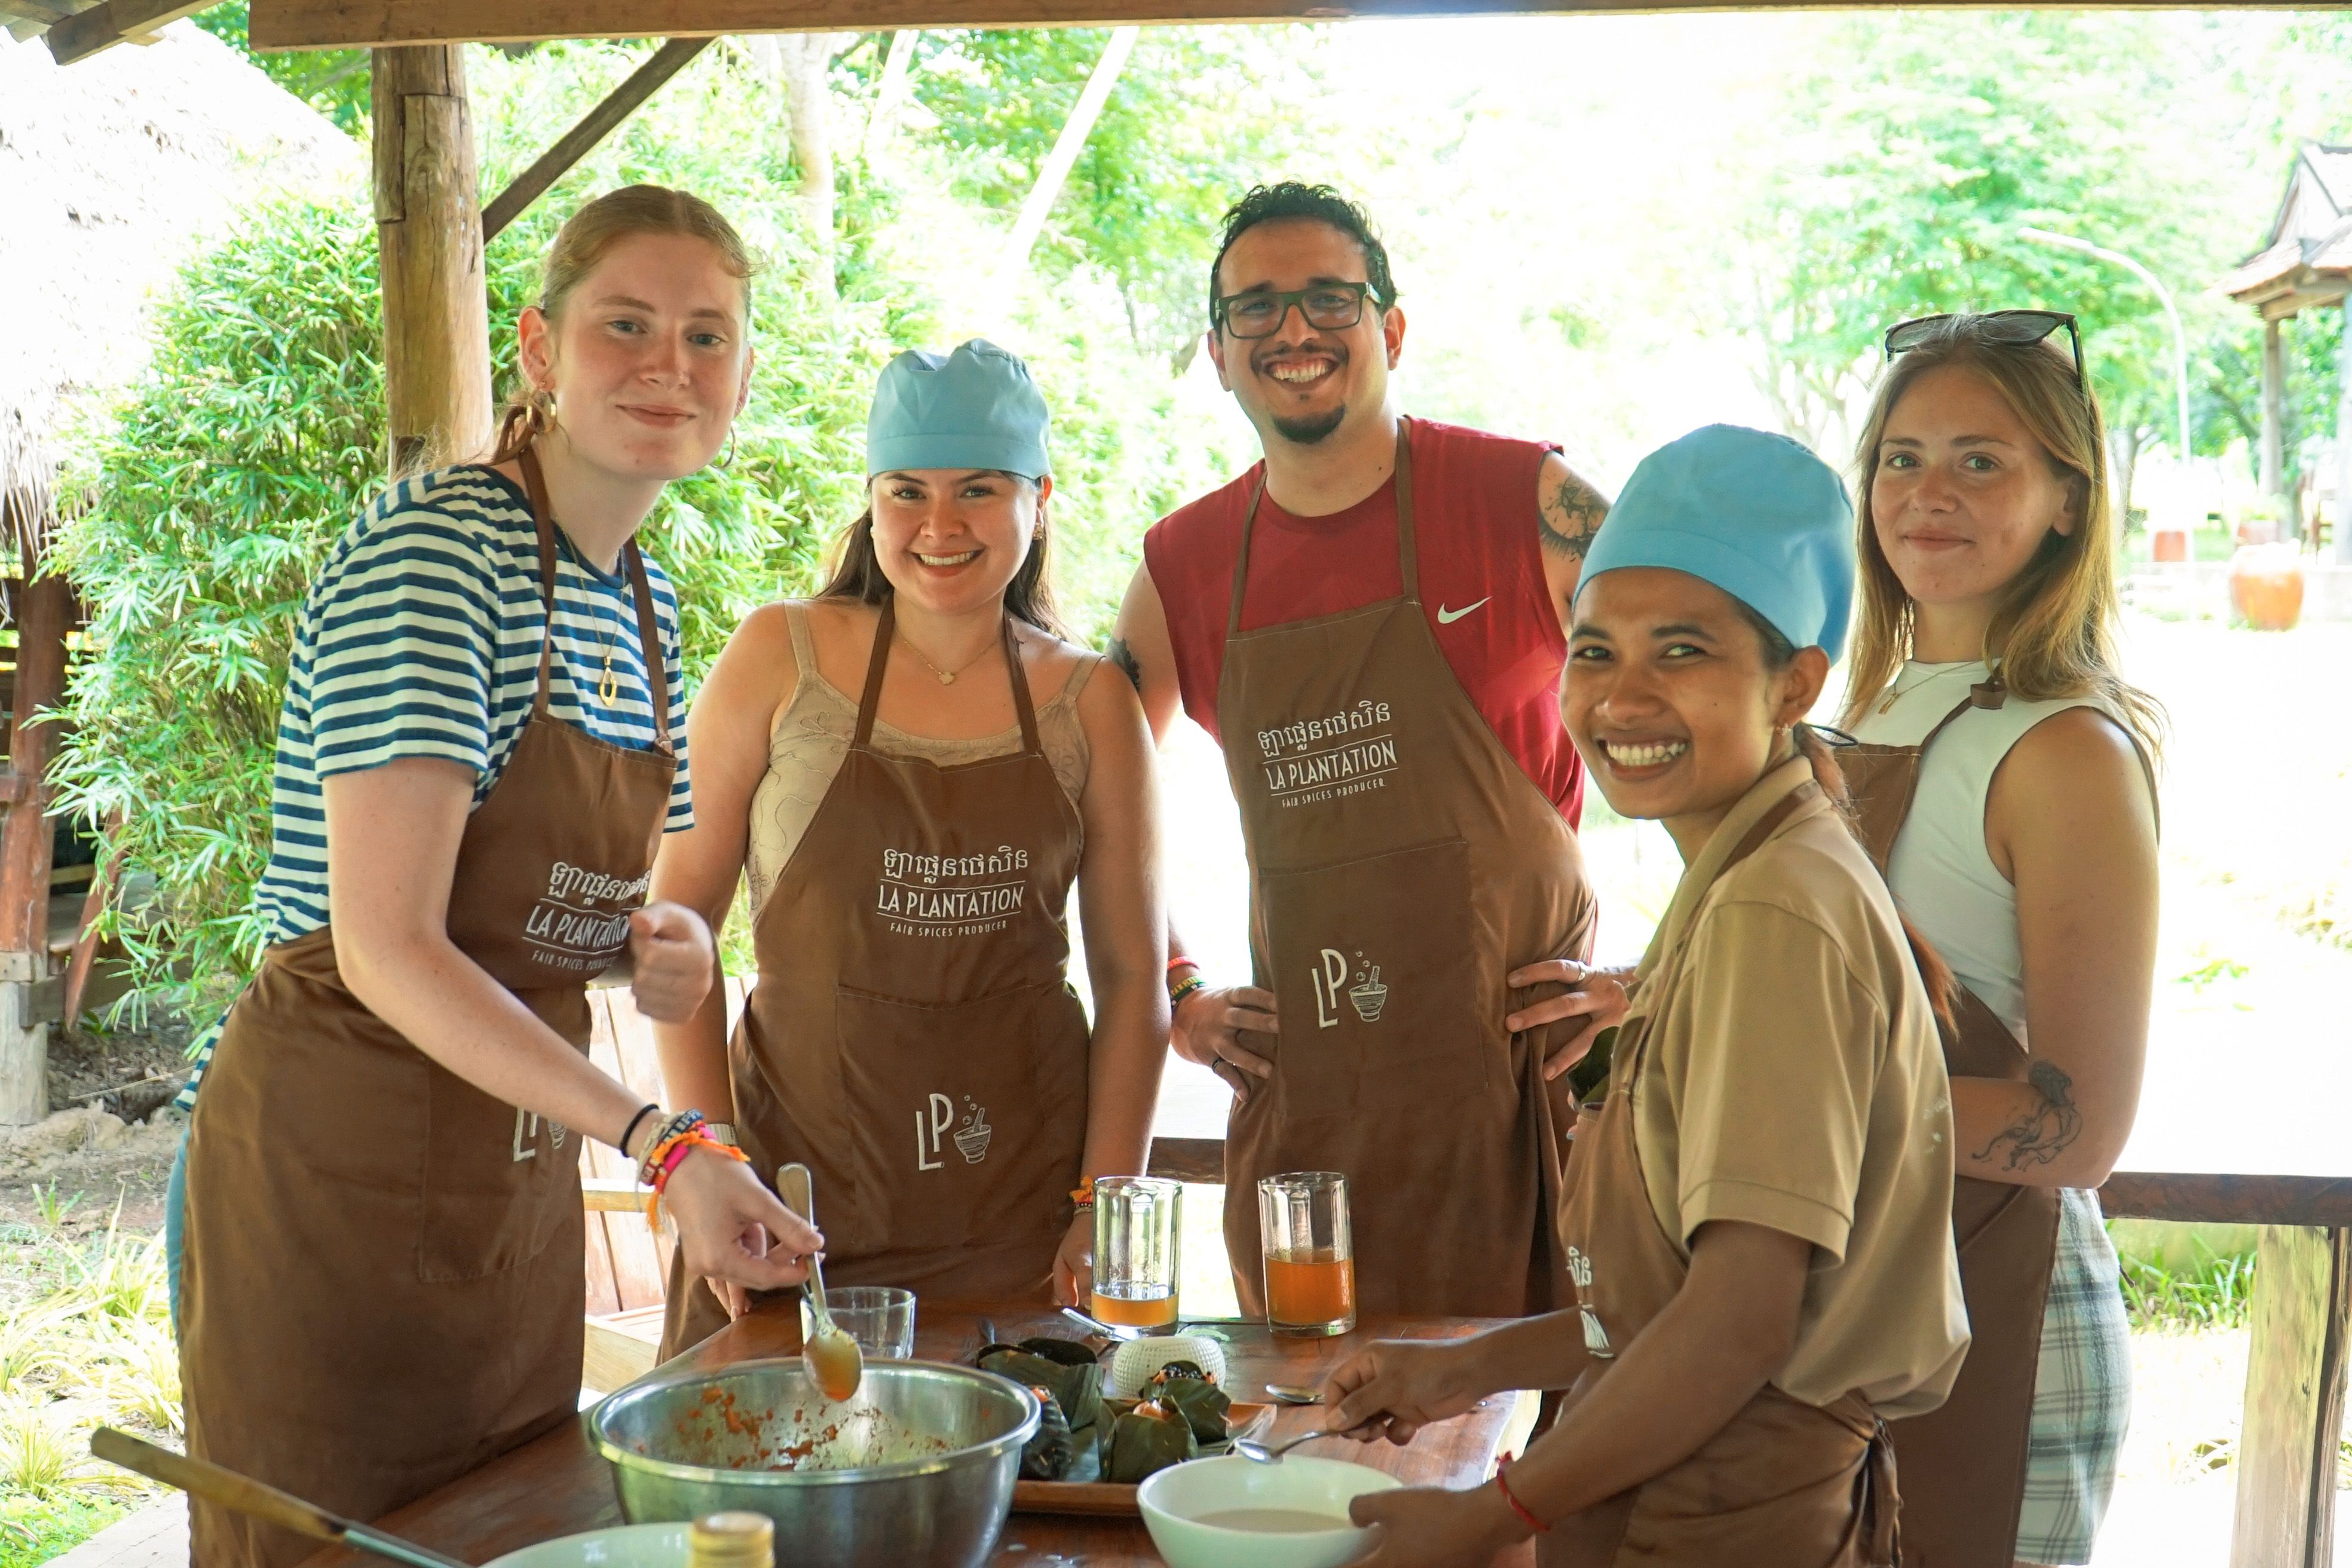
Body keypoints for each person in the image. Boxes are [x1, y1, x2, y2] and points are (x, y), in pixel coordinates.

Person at [176, 186, 817, 1568]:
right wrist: (666, 1142)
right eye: (626, 325)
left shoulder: (642, 597)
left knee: (508, 1540)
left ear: (746, 374)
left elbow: (581, 915)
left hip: (505, 1200)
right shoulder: (438, 553)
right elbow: (390, 944)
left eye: (709, 336)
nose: (669, 366)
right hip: (338, 1176)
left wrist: (662, 953)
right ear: (539, 348)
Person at [1322, 424, 1968, 1567]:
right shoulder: (1747, 870)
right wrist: (1462, 1371)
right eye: (1593, 650)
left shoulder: (1778, 910)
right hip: (1673, 1491)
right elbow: (1663, 1300)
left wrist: (1486, 1519)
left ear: (1795, 682)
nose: (1623, 698)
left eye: (1682, 652)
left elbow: (1735, 1326)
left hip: (1723, 1515)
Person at [1107, 182, 1616, 1319]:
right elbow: (1087, 801)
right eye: (1257, 309)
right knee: (1311, 1470)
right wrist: (1180, 988)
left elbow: (1724, 708)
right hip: (1313, 1132)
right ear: (1219, 354)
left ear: (1390, 329)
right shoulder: (1185, 564)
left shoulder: (1525, 500)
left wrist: (1652, 981)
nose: (1294, 330)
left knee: (1540, 1466)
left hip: (1518, 1105)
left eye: (1330, 299)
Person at [652, 339, 1165, 1356]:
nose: (940, 525)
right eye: (907, 491)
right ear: (872, 500)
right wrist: (707, 1161)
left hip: (1022, 1233)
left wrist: (1100, 1204)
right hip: (785, 1221)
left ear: (1041, 496)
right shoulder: (779, 655)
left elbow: (1133, 981)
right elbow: (679, 941)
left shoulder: (1092, 702)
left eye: (979, 489)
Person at [1840, 311, 2160, 1568]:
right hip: (1853, 1294)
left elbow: (2082, 1130)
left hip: (2003, 1305)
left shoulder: (2068, 747)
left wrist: (1797, 1115)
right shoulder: (1859, 705)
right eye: (1903, 457)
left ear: (2069, 501)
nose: (1930, 493)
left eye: (1984, 460)